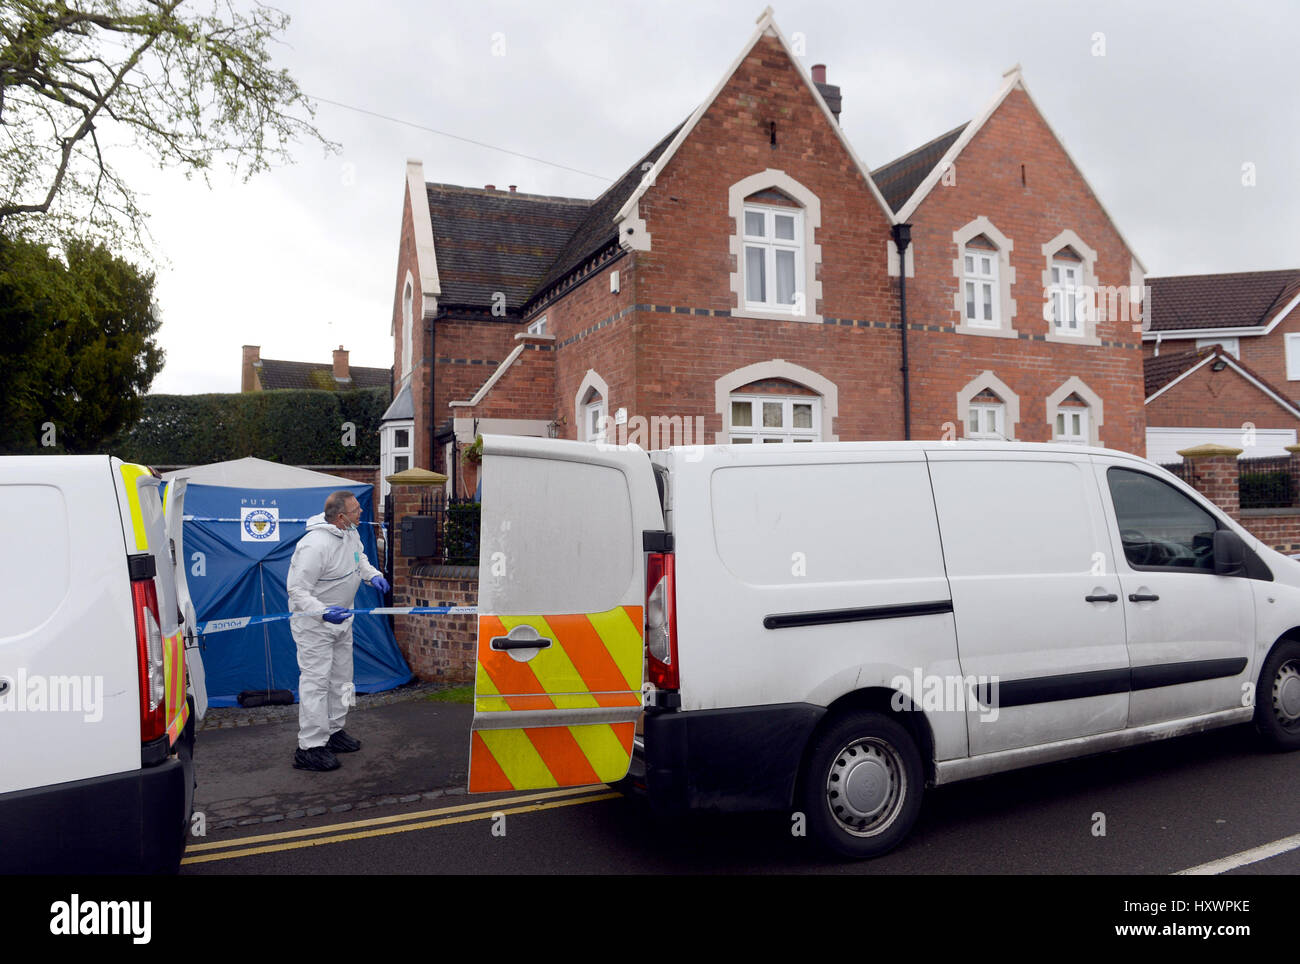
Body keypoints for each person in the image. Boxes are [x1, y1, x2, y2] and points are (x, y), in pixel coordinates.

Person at [286, 490, 389, 771]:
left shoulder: (351, 534)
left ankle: (334, 730)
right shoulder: (314, 545)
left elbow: (361, 560)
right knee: (316, 683)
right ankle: (310, 746)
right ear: (341, 516)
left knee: (343, 679)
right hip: (314, 626)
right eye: (356, 510)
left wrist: (374, 576)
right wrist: (322, 611)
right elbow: (296, 590)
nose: (361, 513)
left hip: (343, 621)